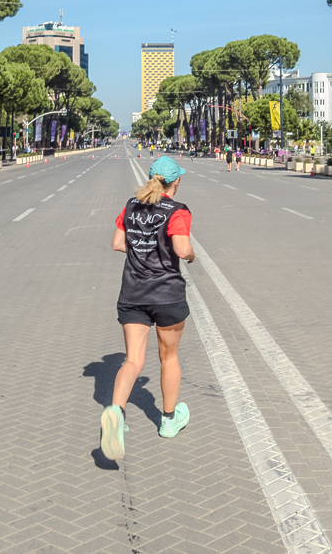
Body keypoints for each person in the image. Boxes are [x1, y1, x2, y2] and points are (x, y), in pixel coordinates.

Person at [101, 156, 195, 462]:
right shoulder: (177, 211)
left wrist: (142, 246)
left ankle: (116, 414)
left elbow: (117, 243)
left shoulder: (131, 206)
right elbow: (181, 248)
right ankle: (168, 421)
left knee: (132, 361)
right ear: (175, 182)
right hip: (166, 295)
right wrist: (190, 255)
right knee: (169, 357)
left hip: (133, 293)